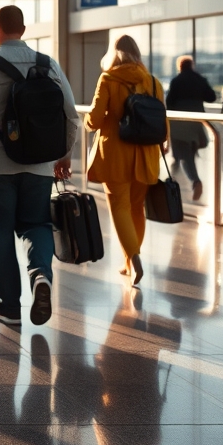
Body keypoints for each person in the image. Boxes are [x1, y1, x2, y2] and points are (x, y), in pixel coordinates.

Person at [0, 5, 78, 325]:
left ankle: (10, 306)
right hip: (40, 165)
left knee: (1, 232)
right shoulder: (47, 64)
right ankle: (41, 275)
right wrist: (65, 155)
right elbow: (72, 116)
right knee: (36, 224)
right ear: (23, 30)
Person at [85, 34, 167, 287]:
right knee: (136, 207)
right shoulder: (153, 82)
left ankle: (134, 258)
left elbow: (95, 119)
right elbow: (163, 121)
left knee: (119, 207)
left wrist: (88, 122)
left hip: (116, 154)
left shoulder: (108, 79)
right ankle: (130, 261)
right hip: (146, 153)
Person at [164, 55, 216, 202]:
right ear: (191, 65)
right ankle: (193, 179)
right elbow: (211, 97)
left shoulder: (176, 81)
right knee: (189, 155)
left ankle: (195, 181)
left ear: (179, 66)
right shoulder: (199, 79)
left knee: (184, 157)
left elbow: (169, 103)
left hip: (180, 124)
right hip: (196, 123)